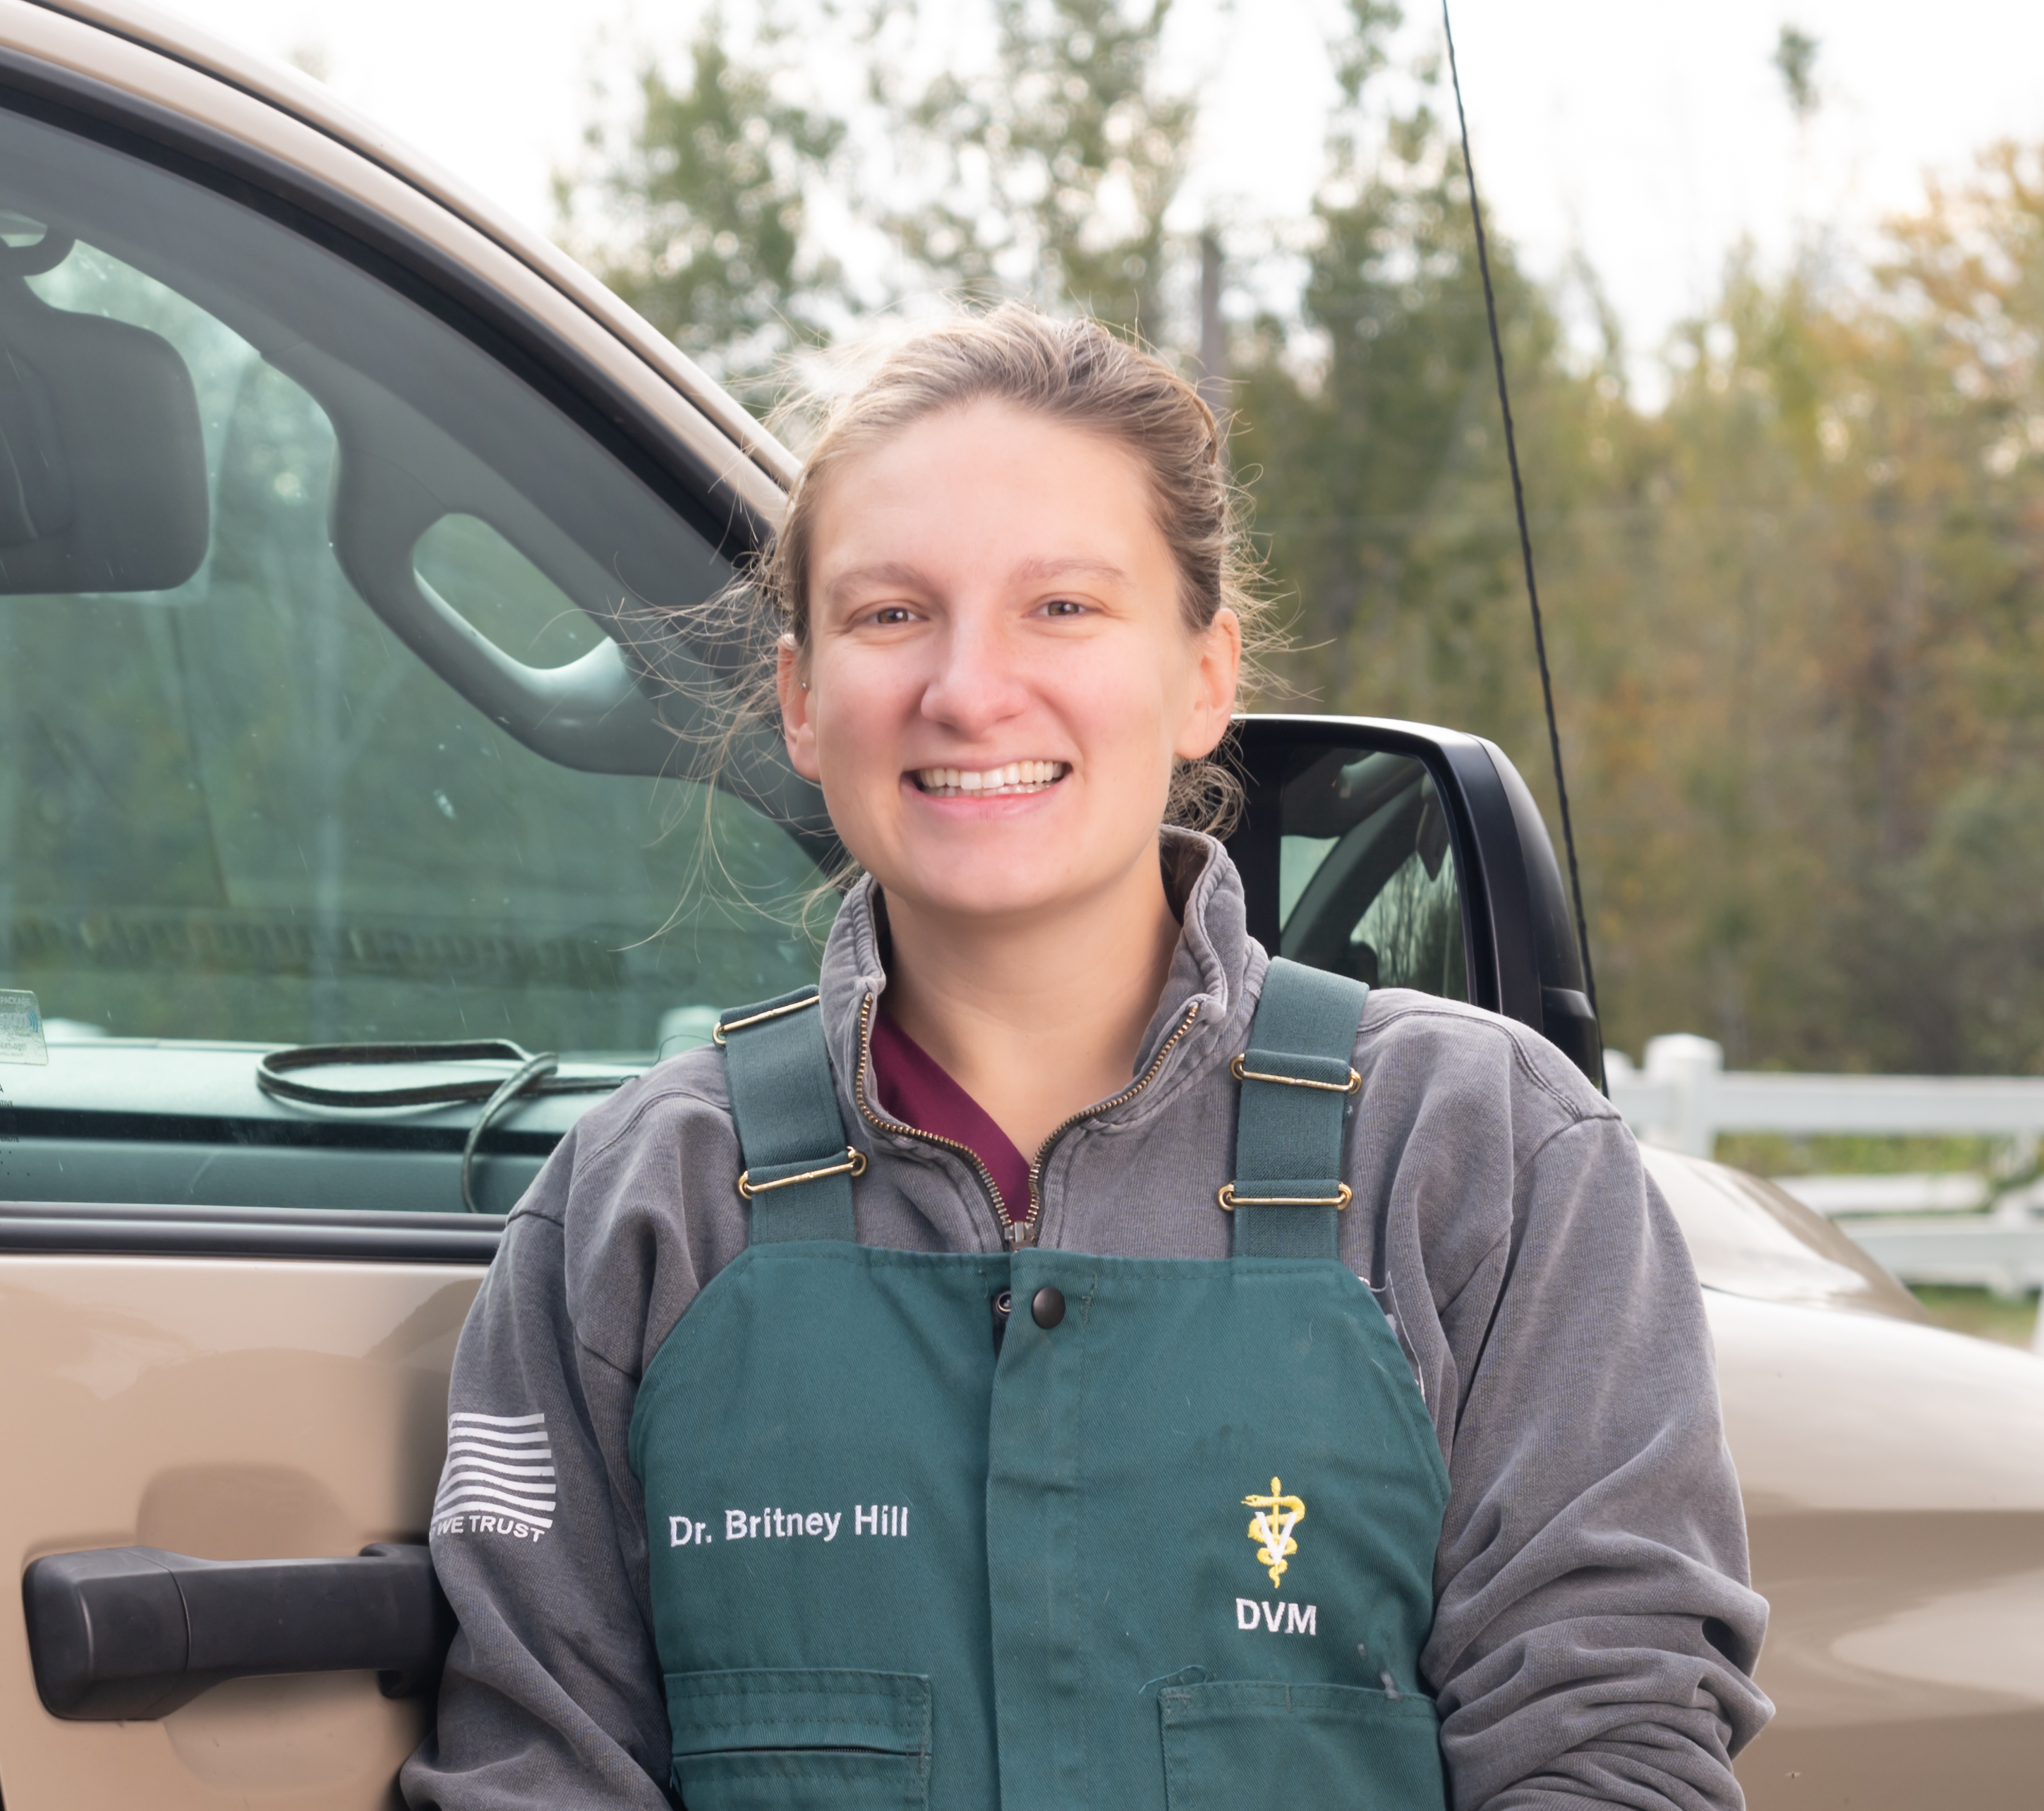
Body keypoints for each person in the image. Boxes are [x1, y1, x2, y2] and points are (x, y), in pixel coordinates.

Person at [403, 304, 1770, 1811]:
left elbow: (1615, 1752)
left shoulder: (1488, 1158)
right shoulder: (635, 1206)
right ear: (800, 700)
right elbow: (541, 1779)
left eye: (1062, 606)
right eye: (889, 614)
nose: (970, 690)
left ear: (1204, 675)